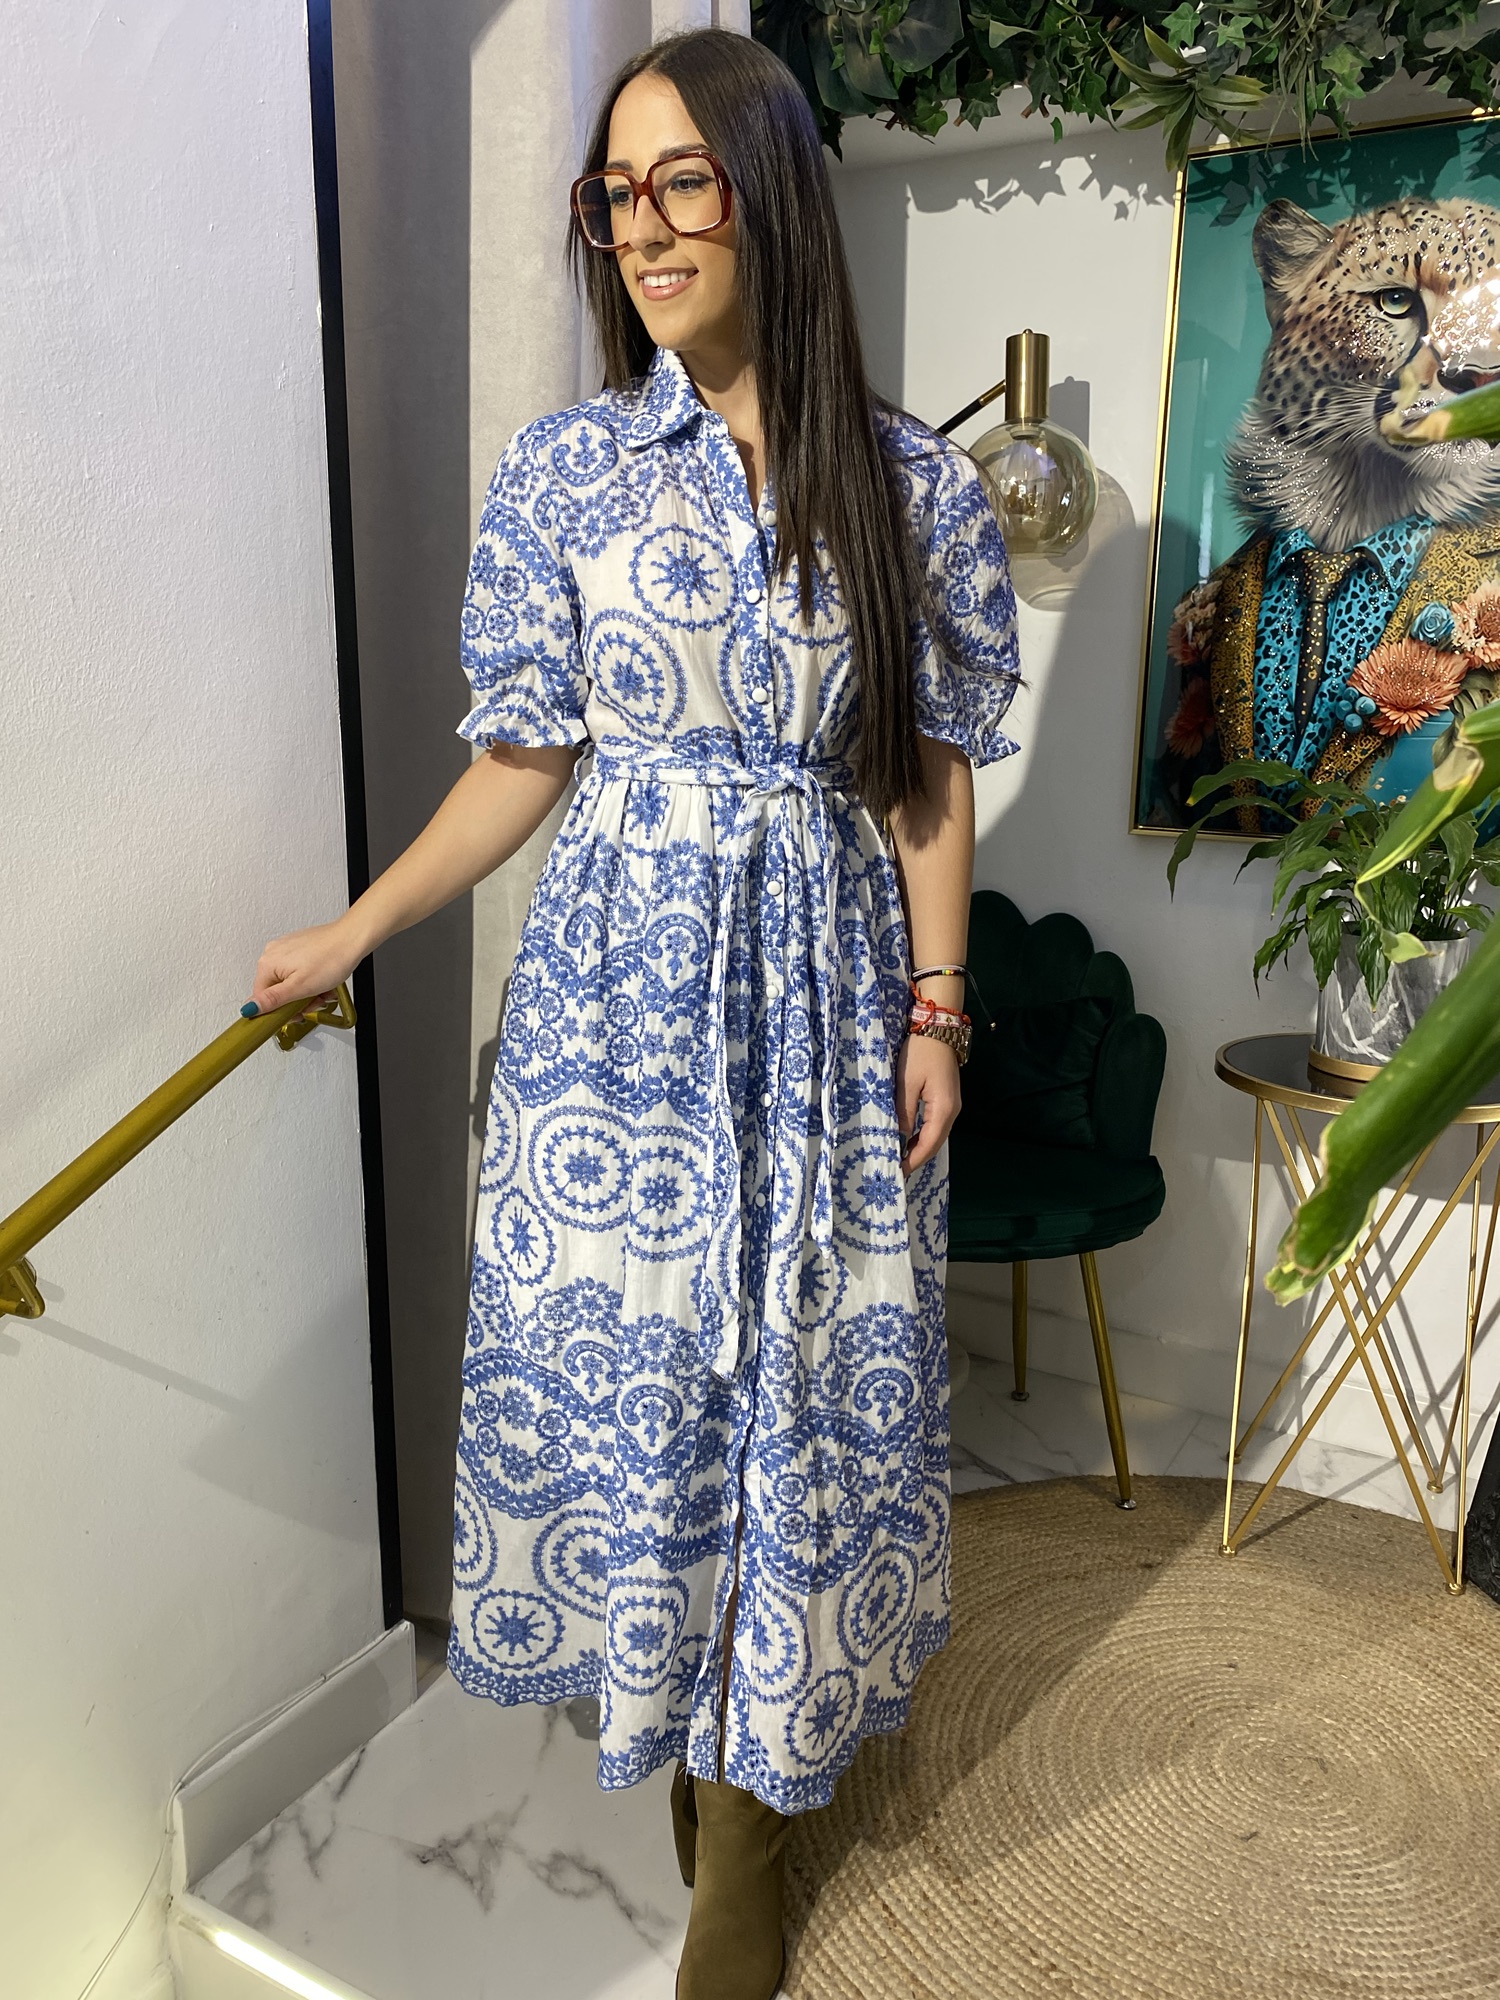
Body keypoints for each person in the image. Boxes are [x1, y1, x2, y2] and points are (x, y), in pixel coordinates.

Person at [247, 28, 1018, 1999]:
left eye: (684, 181)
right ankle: (690, 1750)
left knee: (803, 1397)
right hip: (619, 1023)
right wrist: (360, 927)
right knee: (655, 1402)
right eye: (615, 192)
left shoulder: (916, 484)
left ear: (774, 196)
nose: (646, 227)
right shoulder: (568, 473)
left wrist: (940, 1011)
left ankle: (749, 1832)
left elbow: (927, 771)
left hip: (828, 1006)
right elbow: (524, 756)